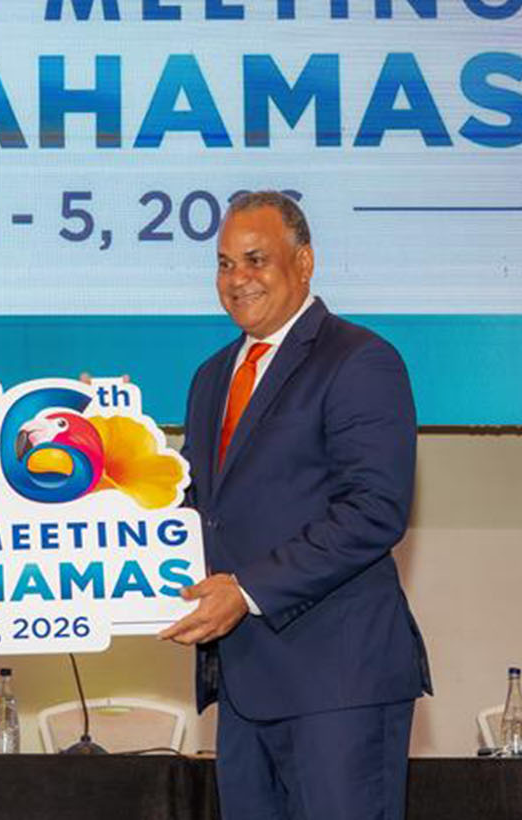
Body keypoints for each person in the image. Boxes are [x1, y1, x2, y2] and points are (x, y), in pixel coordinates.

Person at [161, 191, 431, 820]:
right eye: (225, 264)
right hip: (246, 685)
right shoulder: (211, 376)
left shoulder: (360, 360)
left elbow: (374, 509)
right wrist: (104, 477)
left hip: (338, 682)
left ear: (304, 262)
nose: (237, 280)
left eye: (256, 260)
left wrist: (247, 590)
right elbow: (199, 507)